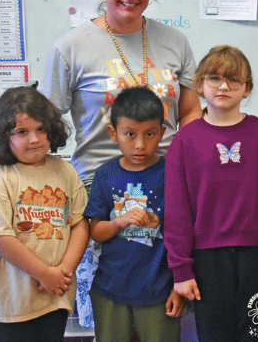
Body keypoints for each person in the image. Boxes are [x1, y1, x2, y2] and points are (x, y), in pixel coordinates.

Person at [0, 0, 201, 185]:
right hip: (97, 184)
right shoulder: (70, 47)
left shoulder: (175, 41)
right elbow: (35, 117)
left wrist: (185, 156)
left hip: (167, 178)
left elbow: (190, 110)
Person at [164, 46, 258, 342]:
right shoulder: (184, 140)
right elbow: (177, 209)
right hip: (206, 260)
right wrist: (181, 270)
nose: (223, 86)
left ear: (246, 89)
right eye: (215, 78)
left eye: (233, 79)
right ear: (199, 85)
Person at [0, 86, 91, 342]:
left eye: (41, 129)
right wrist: (44, 274)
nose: (34, 139)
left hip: (54, 296)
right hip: (11, 303)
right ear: (3, 136)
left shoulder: (65, 171)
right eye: (21, 132)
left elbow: (79, 223)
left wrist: (63, 271)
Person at [84, 87, 186, 342]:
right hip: (110, 290)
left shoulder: (172, 172)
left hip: (159, 292)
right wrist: (120, 221)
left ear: (162, 133)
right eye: (130, 134)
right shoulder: (105, 174)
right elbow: (95, 232)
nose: (140, 144)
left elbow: (184, 233)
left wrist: (179, 285)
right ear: (113, 133)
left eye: (150, 134)